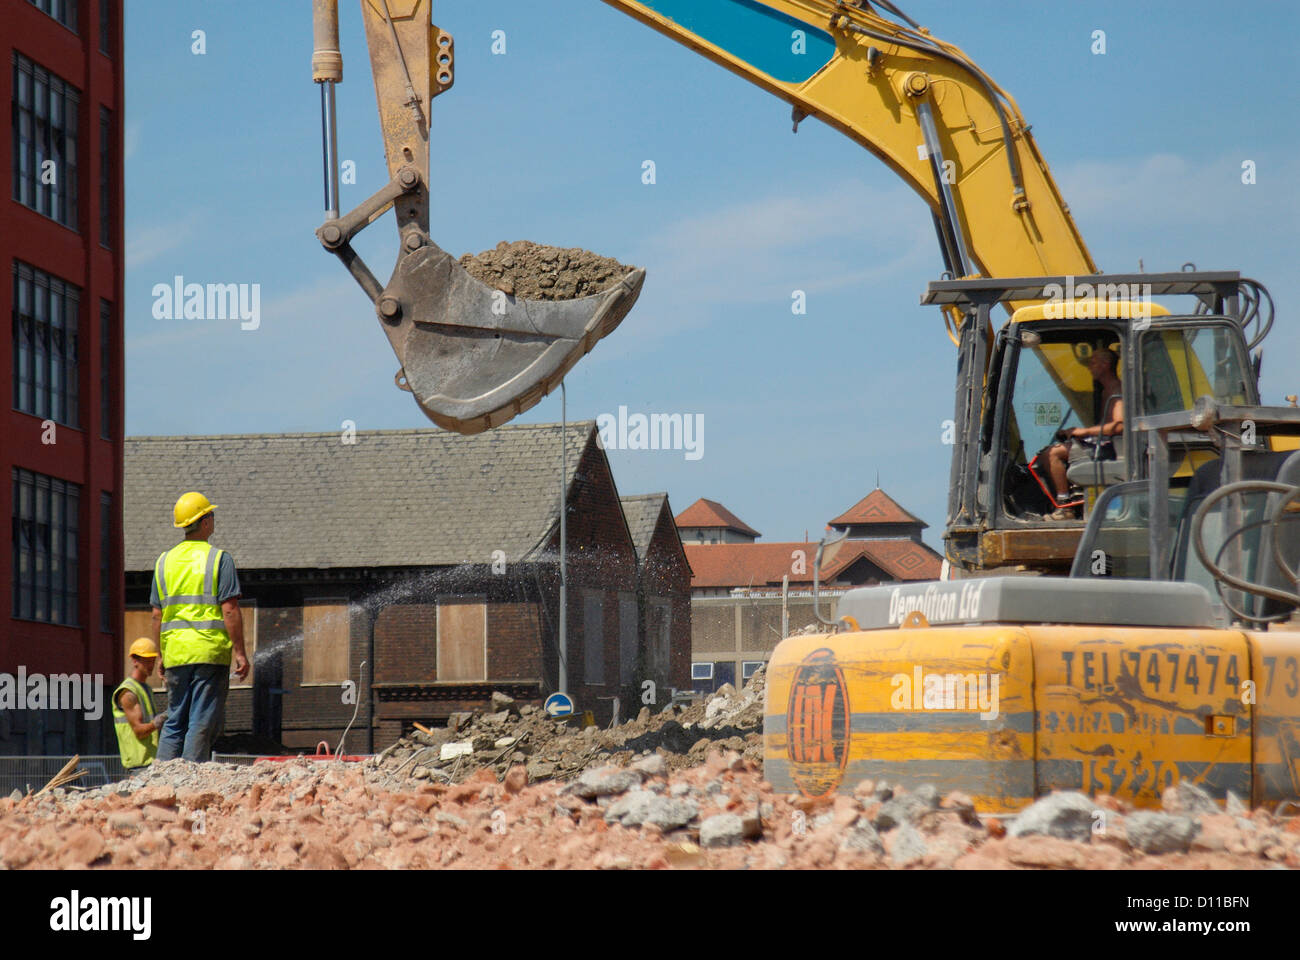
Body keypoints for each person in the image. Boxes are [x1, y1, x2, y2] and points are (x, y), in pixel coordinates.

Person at [150, 491, 249, 762]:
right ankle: (190, 778)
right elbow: (229, 609)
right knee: (201, 720)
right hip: (209, 651)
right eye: (211, 515)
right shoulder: (219, 560)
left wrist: (160, 654)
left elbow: (157, 615)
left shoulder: (163, 562)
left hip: (176, 655)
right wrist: (240, 652)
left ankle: (162, 778)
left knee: (174, 720)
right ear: (204, 522)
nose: (214, 519)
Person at [1046, 345, 1124, 519]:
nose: (1089, 367)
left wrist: (1082, 431)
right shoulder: (1106, 390)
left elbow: (1119, 425)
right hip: (1106, 444)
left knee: (1053, 454)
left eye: (1093, 362)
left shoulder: (1116, 389)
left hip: (1113, 450)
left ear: (1105, 364)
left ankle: (1065, 507)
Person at [112, 638, 167, 770]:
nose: (151, 665)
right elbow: (139, 731)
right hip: (139, 764)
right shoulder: (128, 692)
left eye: (153, 661)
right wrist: (157, 722)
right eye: (147, 661)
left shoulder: (145, 688)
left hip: (152, 761)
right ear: (135, 661)